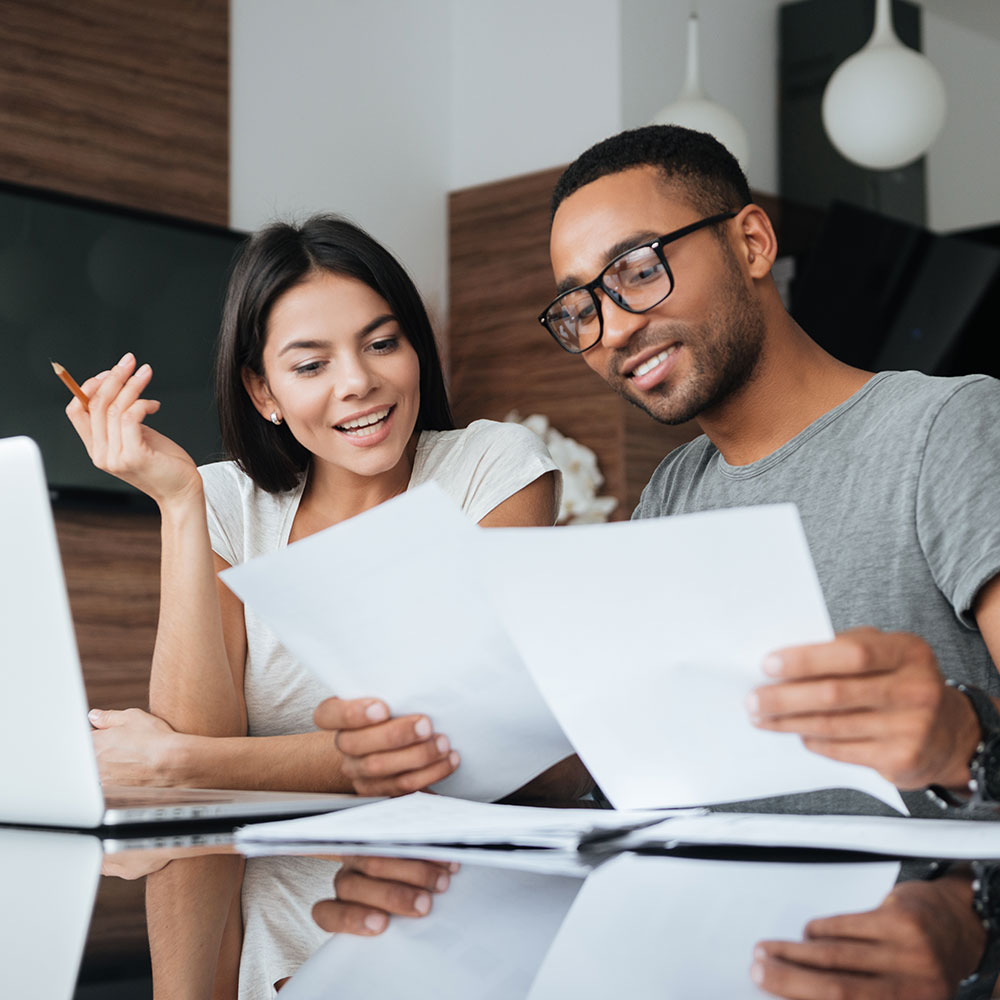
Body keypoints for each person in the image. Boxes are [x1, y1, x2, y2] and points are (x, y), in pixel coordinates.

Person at [534, 124, 1000, 819]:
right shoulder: (671, 492)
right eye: (581, 309)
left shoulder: (947, 427)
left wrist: (964, 741)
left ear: (751, 242)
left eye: (636, 268)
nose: (616, 330)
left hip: (926, 915)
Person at [66, 213, 585, 800]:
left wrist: (180, 762)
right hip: (258, 886)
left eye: (382, 343)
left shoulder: (492, 468)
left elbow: (468, 739)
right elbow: (200, 738)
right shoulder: (227, 502)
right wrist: (180, 502)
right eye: (312, 365)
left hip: (439, 882)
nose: (357, 382)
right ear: (264, 392)